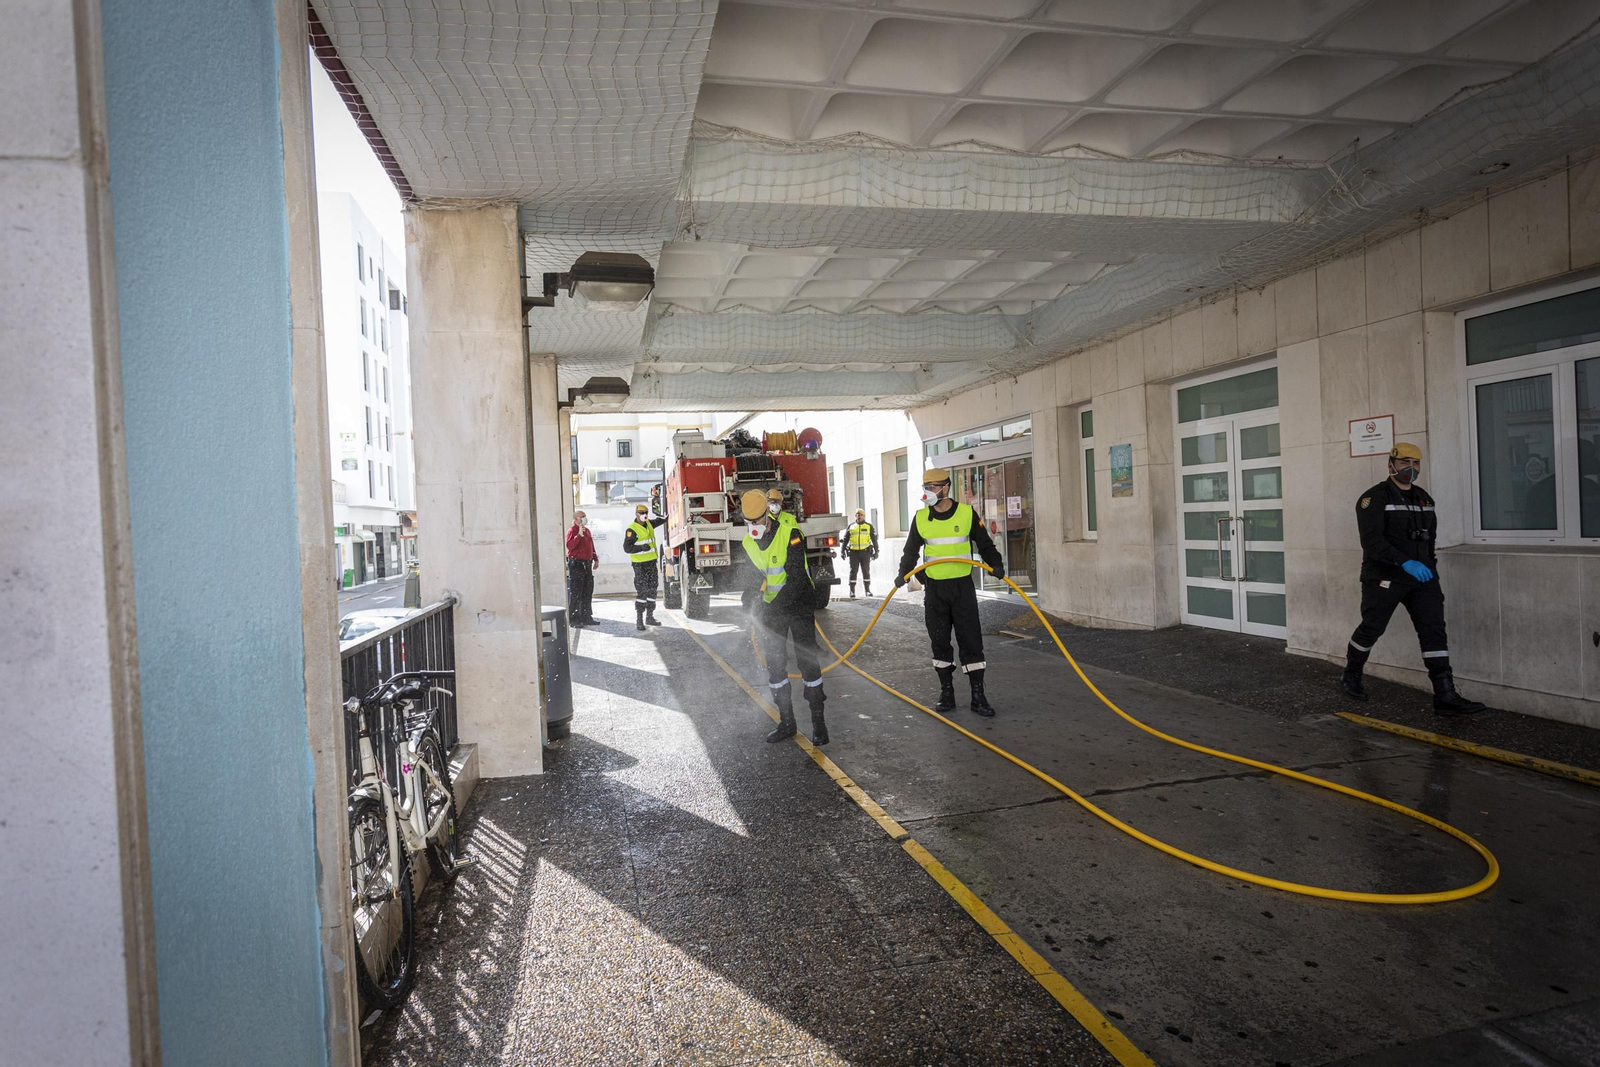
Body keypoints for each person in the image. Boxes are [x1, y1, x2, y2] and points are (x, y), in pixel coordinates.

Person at [1341, 442, 1486, 715]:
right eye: (1405, 462)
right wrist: (1404, 562)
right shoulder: (1374, 498)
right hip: (1385, 577)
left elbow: (1429, 540)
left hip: (1422, 578)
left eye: (1416, 463)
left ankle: (1445, 695)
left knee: (1434, 630)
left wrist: (1430, 570)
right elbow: (1371, 541)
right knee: (1372, 627)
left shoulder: (1424, 499)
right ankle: (1351, 674)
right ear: (1391, 465)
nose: (1411, 467)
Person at [896, 468, 1004, 717]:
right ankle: (947, 692)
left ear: (946, 487)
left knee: (971, 641)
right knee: (940, 642)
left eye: (932, 487)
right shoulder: (921, 518)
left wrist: (996, 564)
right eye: (925, 487)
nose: (928, 492)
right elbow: (911, 551)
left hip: (962, 589)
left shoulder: (966, 513)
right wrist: (903, 573)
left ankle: (978, 695)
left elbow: (984, 543)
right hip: (935, 591)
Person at [740, 489, 828, 745]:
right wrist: (749, 602)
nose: (754, 526)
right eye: (749, 522)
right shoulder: (748, 544)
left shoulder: (791, 535)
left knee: (808, 663)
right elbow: (753, 580)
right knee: (775, 665)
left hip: (798, 605)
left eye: (757, 520)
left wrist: (769, 609)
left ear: (767, 514)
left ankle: (819, 725)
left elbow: (797, 579)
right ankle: (787, 723)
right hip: (773, 611)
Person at [623, 502, 667, 631]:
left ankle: (650, 617)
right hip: (640, 565)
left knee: (652, 589)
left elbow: (658, 522)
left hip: (651, 563)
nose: (644, 515)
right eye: (641, 513)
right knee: (642, 591)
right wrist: (641, 548)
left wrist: (666, 517)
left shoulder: (648, 524)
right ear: (636, 514)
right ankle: (639, 620)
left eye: (646, 513)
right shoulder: (632, 529)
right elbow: (627, 548)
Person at [565, 510, 597, 627]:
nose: (584, 518)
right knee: (576, 592)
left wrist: (595, 558)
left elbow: (591, 546)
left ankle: (586, 616)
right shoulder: (572, 531)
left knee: (587, 591)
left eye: (585, 516)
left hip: (587, 564)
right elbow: (570, 546)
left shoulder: (587, 531)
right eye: (581, 517)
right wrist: (578, 535)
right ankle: (574, 618)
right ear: (576, 519)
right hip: (577, 564)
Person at [839, 508, 879, 598]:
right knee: (853, 571)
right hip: (854, 553)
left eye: (861, 515)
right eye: (858, 514)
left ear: (864, 516)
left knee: (866, 571)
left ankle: (867, 590)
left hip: (865, 552)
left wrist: (877, 551)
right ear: (855, 516)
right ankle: (852, 591)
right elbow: (845, 540)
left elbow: (874, 540)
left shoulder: (869, 526)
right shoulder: (851, 526)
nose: (859, 516)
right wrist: (842, 551)